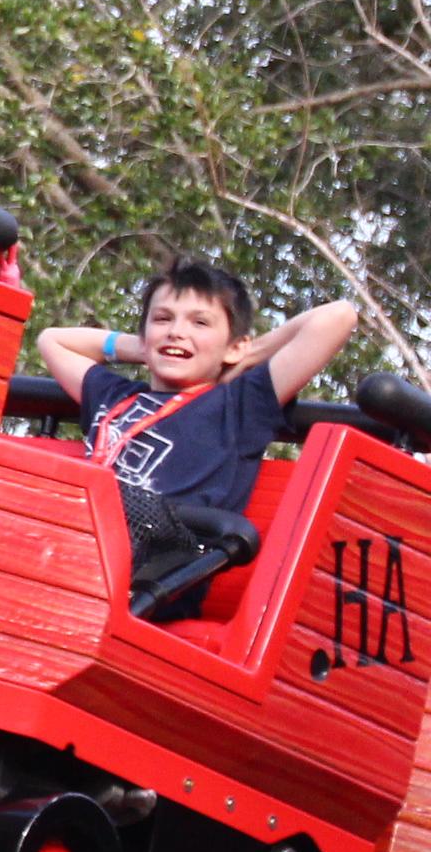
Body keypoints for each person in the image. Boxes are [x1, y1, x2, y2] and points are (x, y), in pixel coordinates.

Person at [36, 262, 358, 617]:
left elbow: (337, 318)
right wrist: (142, 347)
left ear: (234, 346)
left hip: (147, 588)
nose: (176, 332)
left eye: (199, 323)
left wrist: (247, 354)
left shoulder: (237, 406)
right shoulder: (115, 395)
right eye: (162, 319)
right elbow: (52, 340)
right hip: (68, 555)